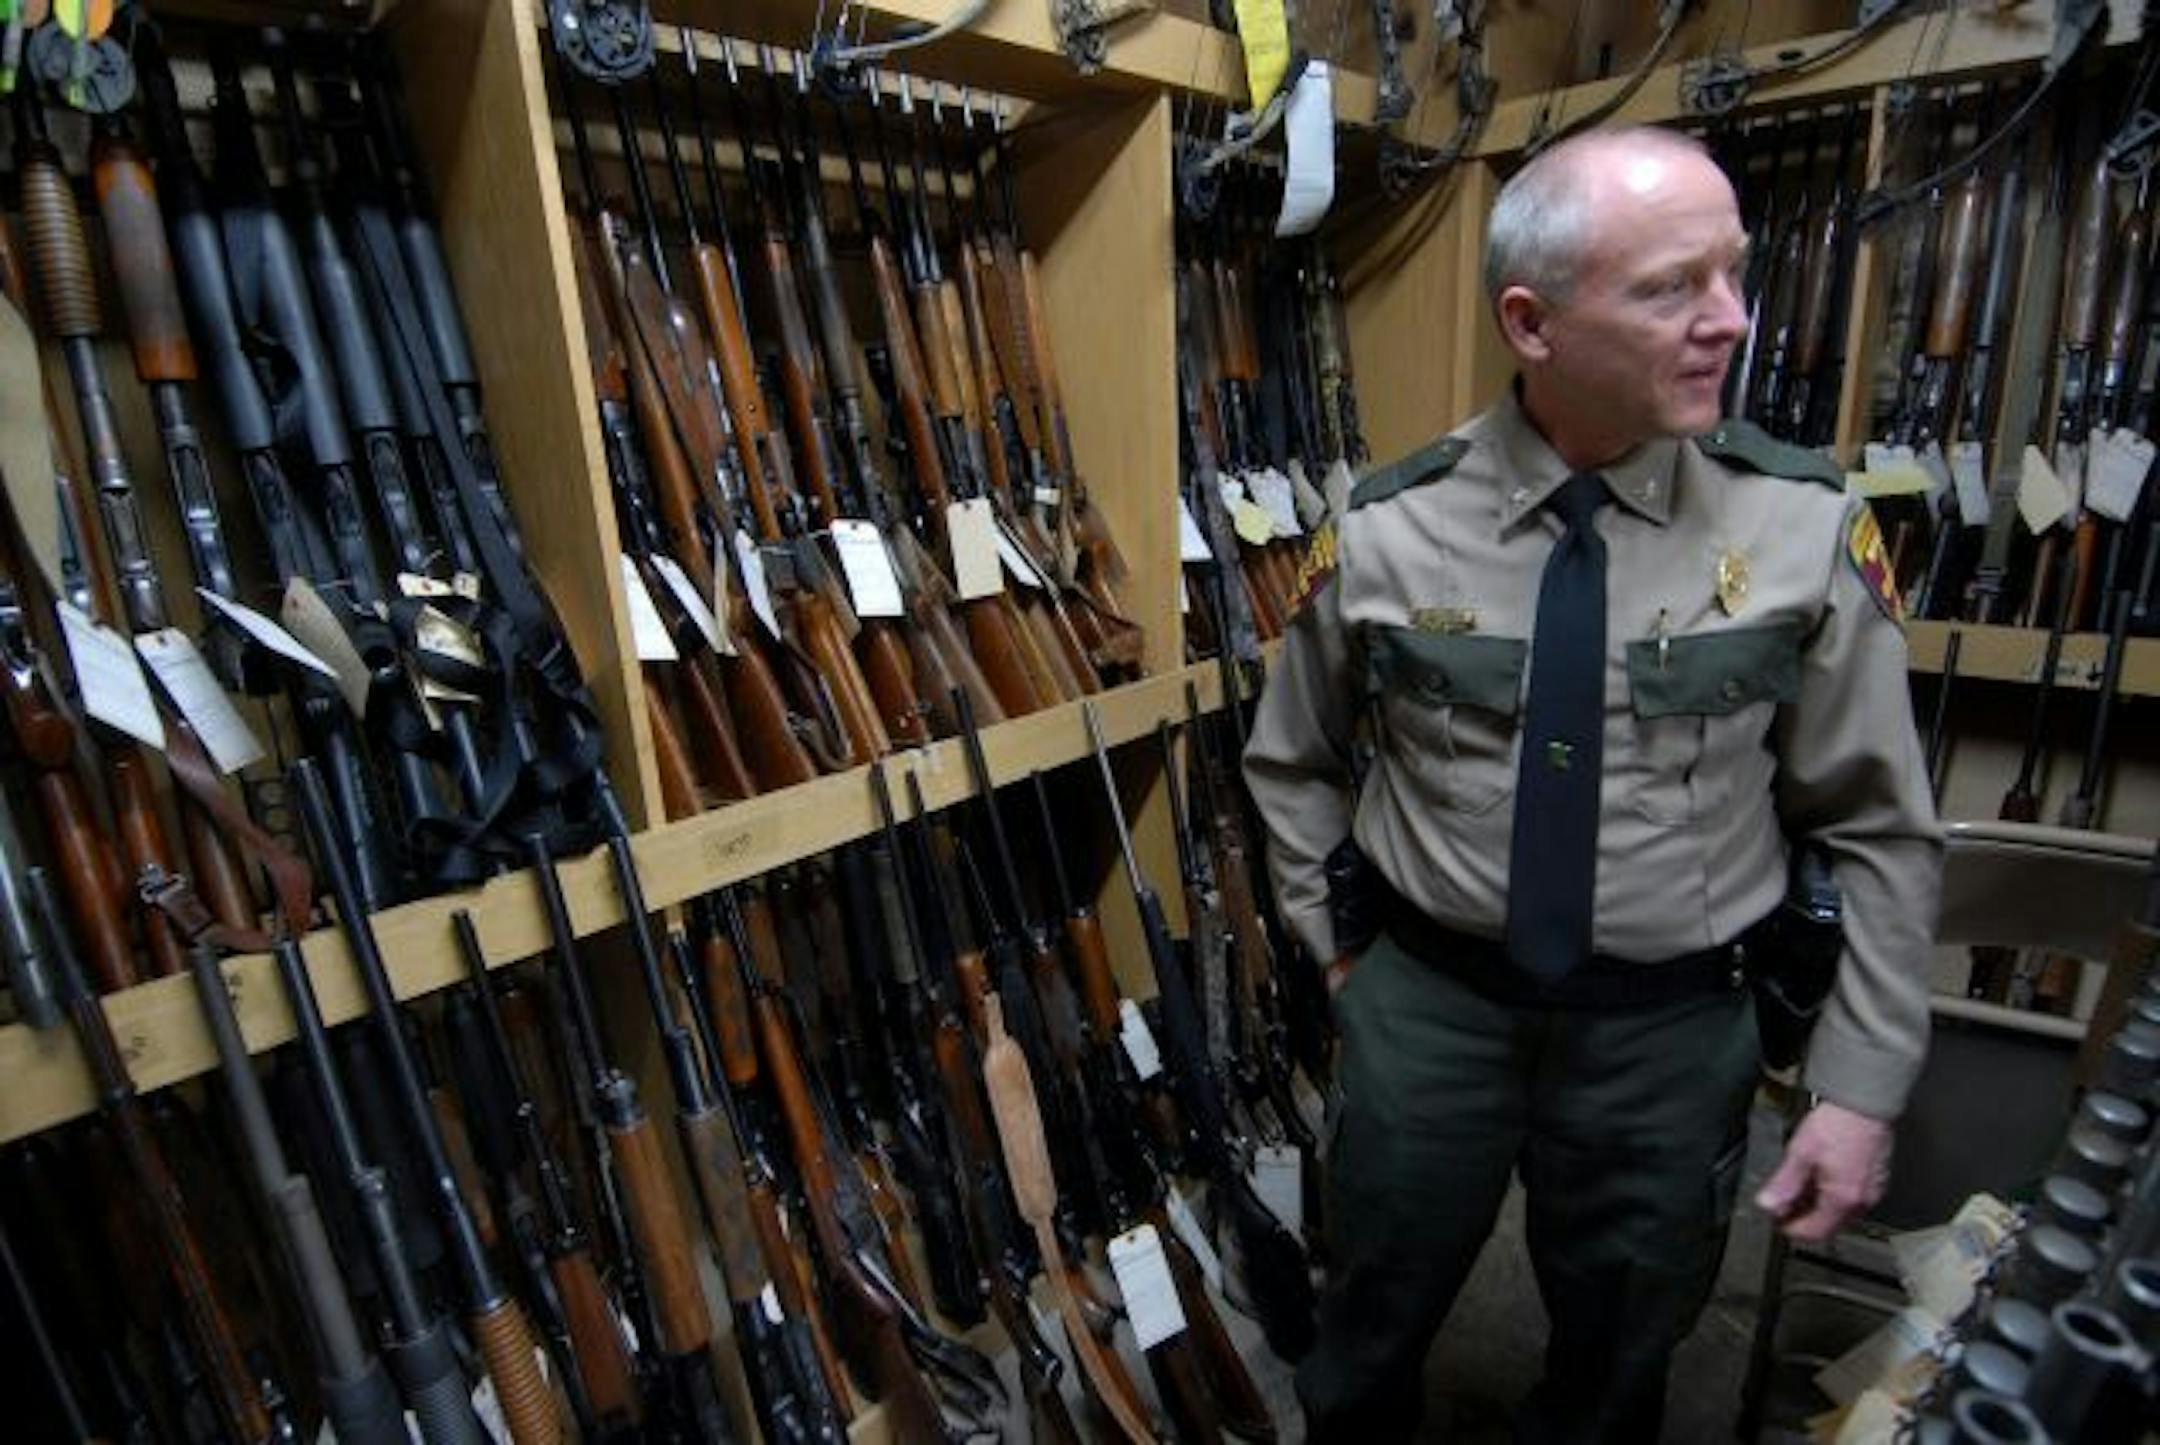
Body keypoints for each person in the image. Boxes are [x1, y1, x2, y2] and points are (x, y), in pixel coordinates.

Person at [1243, 125, 1942, 1442]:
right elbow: (1290, 758)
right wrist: (1342, 955)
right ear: (1534, 320)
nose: (1728, 320)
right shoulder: (1393, 528)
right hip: (1432, 1013)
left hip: (1670, 1038)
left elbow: (1880, 825)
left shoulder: (1795, 528)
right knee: (1368, 1322)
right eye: (1671, 286)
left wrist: (1857, 1084)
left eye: (1732, 275)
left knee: (1623, 1356)